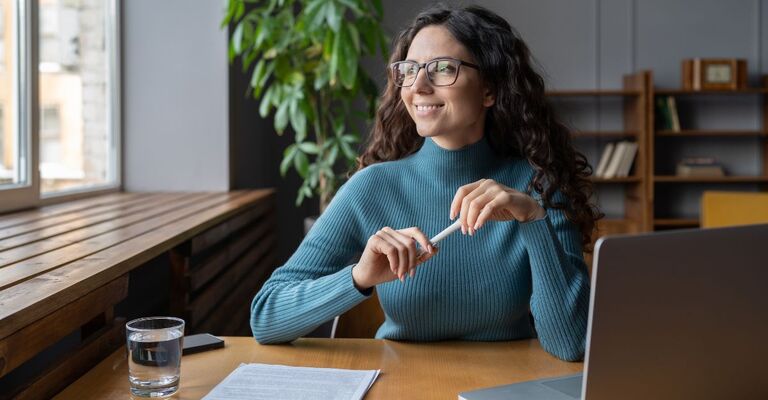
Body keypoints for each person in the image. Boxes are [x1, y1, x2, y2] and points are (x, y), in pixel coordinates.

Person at [250, 4, 601, 362]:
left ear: (489, 90)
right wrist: (359, 277)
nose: (418, 85)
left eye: (443, 68)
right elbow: (266, 317)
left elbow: (571, 344)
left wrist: (533, 219)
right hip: (399, 385)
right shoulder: (371, 188)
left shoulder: (538, 187)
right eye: (409, 69)